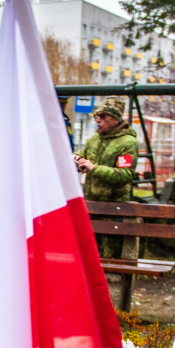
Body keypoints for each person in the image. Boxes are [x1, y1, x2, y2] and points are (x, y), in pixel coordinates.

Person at [75, 95, 140, 258]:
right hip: (91, 208)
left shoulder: (127, 142)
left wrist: (94, 168)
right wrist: (76, 159)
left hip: (113, 211)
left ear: (116, 119)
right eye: (96, 116)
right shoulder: (93, 140)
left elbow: (126, 174)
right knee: (87, 256)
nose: (98, 119)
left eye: (103, 116)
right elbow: (82, 156)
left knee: (110, 258)